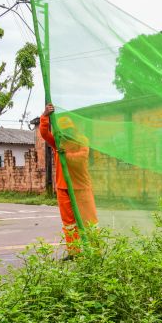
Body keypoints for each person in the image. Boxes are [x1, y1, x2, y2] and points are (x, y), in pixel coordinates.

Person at [39, 103, 98, 254]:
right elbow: (45, 134)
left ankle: (95, 251)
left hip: (81, 187)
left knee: (88, 220)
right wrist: (45, 116)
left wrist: (65, 155)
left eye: (69, 129)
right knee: (69, 223)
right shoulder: (59, 141)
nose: (66, 132)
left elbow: (82, 157)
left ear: (73, 129)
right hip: (62, 186)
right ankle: (74, 252)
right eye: (63, 130)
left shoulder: (82, 140)